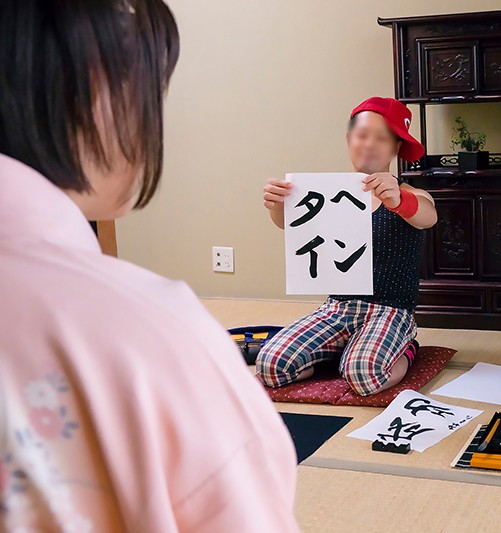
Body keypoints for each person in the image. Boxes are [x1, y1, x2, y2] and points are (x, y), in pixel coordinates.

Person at [0, 2, 298, 531]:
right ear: (94, 85)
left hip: (385, 312)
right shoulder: (147, 332)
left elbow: (424, 215)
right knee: (278, 359)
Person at [258, 96, 437, 396]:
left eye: (381, 138)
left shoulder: (410, 194)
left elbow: (428, 216)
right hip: (337, 307)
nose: (369, 144)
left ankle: (404, 348)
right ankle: (338, 354)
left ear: (396, 147)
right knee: (270, 364)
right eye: (362, 135)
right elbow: (288, 225)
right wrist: (277, 205)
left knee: (365, 376)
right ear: (349, 139)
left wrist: (398, 200)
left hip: (390, 309)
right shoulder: (327, 195)